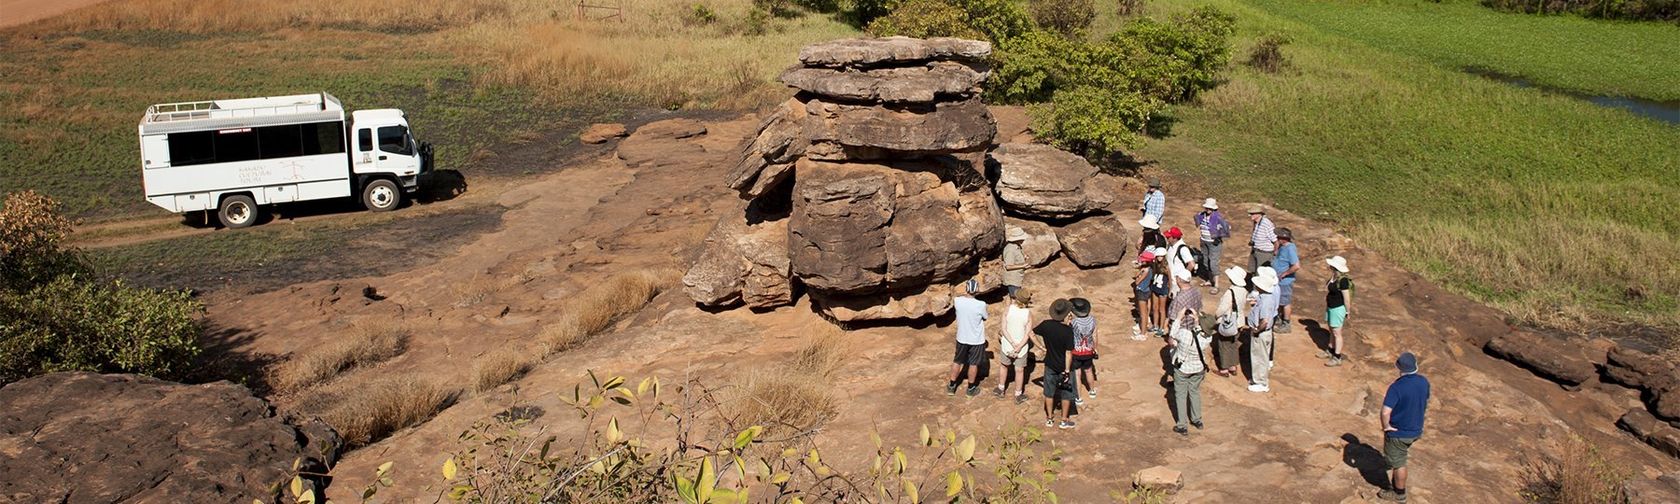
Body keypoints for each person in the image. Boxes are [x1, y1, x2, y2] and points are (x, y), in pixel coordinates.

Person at [1379, 352, 1431, 502]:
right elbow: (1424, 399)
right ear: (1416, 366)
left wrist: (1386, 427)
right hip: (1415, 428)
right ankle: (1396, 485)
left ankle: (1399, 494)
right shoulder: (1423, 382)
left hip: (1399, 432)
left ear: (1398, 367)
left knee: (1399, 463)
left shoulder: (1397, 387)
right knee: (1399, 456)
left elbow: (1385, 411)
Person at [1166, 270, 1207, 435]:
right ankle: (1197, 419)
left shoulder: (1182, 335)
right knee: (1195, 391)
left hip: (1183, 367)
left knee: (1181, 394)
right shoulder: (1204, 339)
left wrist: (1178, 318)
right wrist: (1196, 321)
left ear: (1178, 279)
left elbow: (1172, 334)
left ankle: (1182, 424)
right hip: (1198, 367)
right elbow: (1198, 327)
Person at [1035, 299, 1078, 429]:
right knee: (1066, 393)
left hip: (1050, 364)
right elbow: (1068, 353)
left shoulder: (1046, 325)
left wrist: (1041, 347)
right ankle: (1064, 420)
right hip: (1064, 366)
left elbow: (1031, 332)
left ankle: (1049, 418)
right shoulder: (1067, 331)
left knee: (1049, 392)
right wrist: (1066, 370)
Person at [947, 279, 988, 397]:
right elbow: (985, 317)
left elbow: (956, 296)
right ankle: (970, 389)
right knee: (973, 364)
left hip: (962, 337)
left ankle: (951, 386)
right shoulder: (981, 304)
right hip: (976, 339)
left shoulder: (958, 301)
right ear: (977, 291)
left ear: (966, 289)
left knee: (957, 361)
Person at [994, 288, 1035, 403]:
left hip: (1007, 345)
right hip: (1021, 348)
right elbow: (1028, 334)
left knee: (1004, 366)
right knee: (1019, 370)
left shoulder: (1008, 309)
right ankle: (1018, 394)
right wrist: (1018, 347)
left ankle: (1001, 388)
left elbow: (1003, 329)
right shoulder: (1028, 314)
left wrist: (1011, 343)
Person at [1247, 268, 1280, 393]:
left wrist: (1257, 330)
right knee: (1262, 356)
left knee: (1258, 357)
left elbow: (1265, 321)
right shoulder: (1266, 297)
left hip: (1261, 333)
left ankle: (1261, 382)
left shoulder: (1266, 300)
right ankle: (1259, 379)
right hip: (1264, 332)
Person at [1213, 266, 1249, 377]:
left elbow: (1222, 308)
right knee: (1233, 344)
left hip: (1228, 322)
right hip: (1239, 321)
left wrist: (1216, 316)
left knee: (1224, 345)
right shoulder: (1244, 291)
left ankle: (1224, 369)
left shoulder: (1230, 292)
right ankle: (1233, 366)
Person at [1321, 256, 1355, 367]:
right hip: (1331, 307)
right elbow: (1327, 288)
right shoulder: (1334, 277)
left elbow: (1346, 299)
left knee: (1337, 333)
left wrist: (1347, 311)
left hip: (1338, 308)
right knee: (1331, 330)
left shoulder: (1343, 281)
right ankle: (1330, 350)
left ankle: (1337, 357)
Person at [1194, 198, 1231, 287]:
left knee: (1213, 263)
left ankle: (1216, 285)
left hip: (1214, 243)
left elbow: (1227, 227)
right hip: (1204, 241)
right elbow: (1196, 220)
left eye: (1210, 208)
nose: (1208, 210)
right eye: (1207, 208)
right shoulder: (1202, 216)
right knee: (1206, 262)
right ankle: (1210, 280)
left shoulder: (1218, 217)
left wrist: (1219, 235)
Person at [1069, 298, 1098, 403]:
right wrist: (1095, 348)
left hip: (1076, 351)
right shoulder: (1093, 320)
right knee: (1089, 371)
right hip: (1088, 350)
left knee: (1077, 374)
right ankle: (1092, 391)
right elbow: (1094, 335)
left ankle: (1078, 397)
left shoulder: (1073, 322)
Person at [1272, 227, 1300, 334]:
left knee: (1285, 302)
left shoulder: (1290, 249)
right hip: (1279, 280)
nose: (1276, 238)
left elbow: (1296, 266)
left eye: (1278, 237)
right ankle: (1279, 318)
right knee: (1279, 301)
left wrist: (1284, 274)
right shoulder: (1282, 247)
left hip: (1285, 281)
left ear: (1283, 238)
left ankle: (1286, 323)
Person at [1131, 250, 1158, 341]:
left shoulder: (1145, 270)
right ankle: (1143, 330)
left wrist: (1139, 275)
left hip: (1142, 291)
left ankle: (1143, 333)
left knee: (1143, 314)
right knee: (1145, 312)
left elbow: (1137, 281)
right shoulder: (1149, 269)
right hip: (1146, 291)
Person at [1164, 227, 1196, 296]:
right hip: (1170, 280)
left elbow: (1192, 264)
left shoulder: (1183, 249)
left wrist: (1181, 277)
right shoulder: (1170, 245)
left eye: (1169, 237)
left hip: (1177, 283)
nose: (1166, 238)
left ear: (1175, 238)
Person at [1002, 226, 1030, 297]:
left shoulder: (1017, 246)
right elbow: (1008, 266)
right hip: (1013, 280)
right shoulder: (1010, 250)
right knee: (1016, 298)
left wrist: (1024, 257)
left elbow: (1016, 258)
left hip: (1017, 279)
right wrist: (1023, 266)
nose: (1023, 240)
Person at [1149, 247, 1171, 337]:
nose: (1159, 258)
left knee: (1162, 309)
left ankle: (1161, 328)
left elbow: (1170, 279)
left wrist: (1169, 290)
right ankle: (1155, 325)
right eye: (1158, 256)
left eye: (1161, 256)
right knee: (1155, 307)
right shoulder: (1155, 265)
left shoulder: (1166, 266)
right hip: (1155, 287)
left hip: (1163, 289)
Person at [1248, 206, 1276, 272]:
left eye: (1252, 214)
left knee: (1261, 274)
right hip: (1255, 250)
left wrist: (1275, 253)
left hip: (1264, 253)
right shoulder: (1257, 223)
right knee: (1252, 271)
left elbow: (1275, 240)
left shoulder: (1266, 224)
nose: (1250, 215)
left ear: (1259, 214)